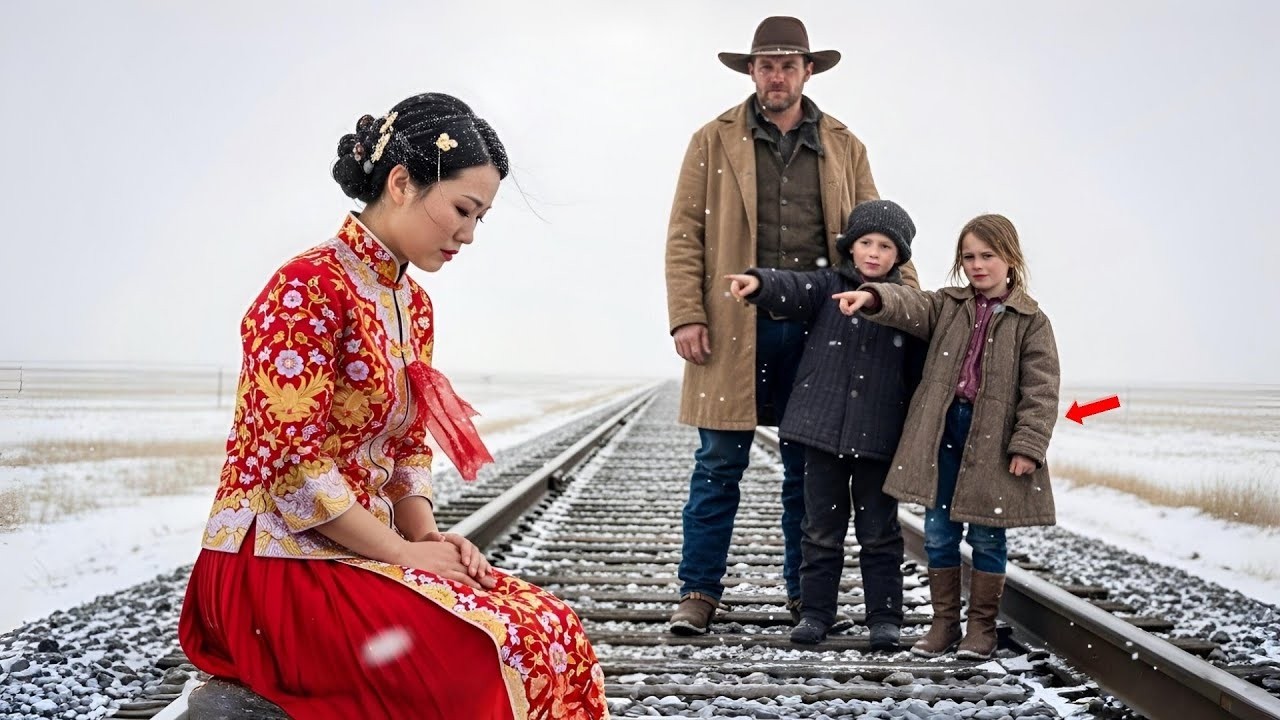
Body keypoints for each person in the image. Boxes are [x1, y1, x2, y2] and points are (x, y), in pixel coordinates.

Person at [177, 92, 609, 720]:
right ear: (402, 182)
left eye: (481, 218)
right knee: (482, 654)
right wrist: (406, 555)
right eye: (463, 209)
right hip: (272, 563)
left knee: (550, 629)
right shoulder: (307, 287)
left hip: (358, 550)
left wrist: (431, 538)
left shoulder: (414, 303)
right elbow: (295, 469)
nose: (468, 234)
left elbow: (406, 444)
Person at [665, 15, 918, 635]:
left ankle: (806, 596)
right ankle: (699, 593)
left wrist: (908, 306)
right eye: (765, 64)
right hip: (731, 327)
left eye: (788, 64)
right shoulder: (711, 139)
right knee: (719, 462)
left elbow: (878, 234)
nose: (776, 75)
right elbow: (685, 234)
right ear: (751, 71)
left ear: (807, 71)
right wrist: (687, 316)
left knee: (809, 473)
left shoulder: (844, 144)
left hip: (823, 332)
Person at [832, 213, 1060, 659]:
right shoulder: (947, 304)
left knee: (988, 535)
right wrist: (873, 296)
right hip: (942, 434)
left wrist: (1027, 446)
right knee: (938, 533)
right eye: (969, 256)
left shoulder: (1031, 320)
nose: (977, 265)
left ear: (1010, 259)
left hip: (993, 442)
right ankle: (943, 626)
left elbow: (1042, 389)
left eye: (987, 256)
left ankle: (981, 629)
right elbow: (909, 305)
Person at [724, 200, 924, 648]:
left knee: (880, 533)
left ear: (899, 256)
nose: (873, 252)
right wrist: (758, 283)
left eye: (885, 246)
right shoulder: (827, 286)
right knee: (819, 530)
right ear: (850, 248)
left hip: (878, 438)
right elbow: (791, 288)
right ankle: (815, 614)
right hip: (821, 433)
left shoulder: (906, 304)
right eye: (866, 243)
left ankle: (885, 619)